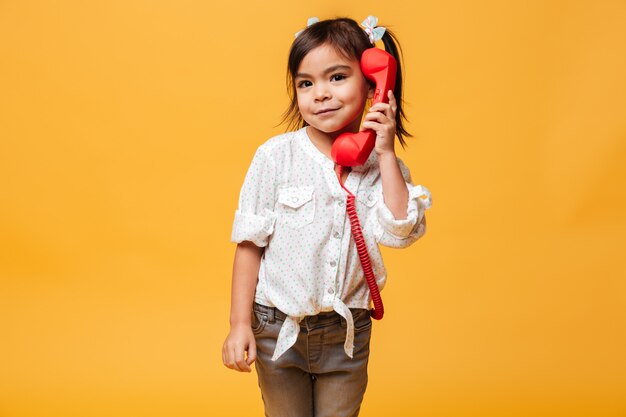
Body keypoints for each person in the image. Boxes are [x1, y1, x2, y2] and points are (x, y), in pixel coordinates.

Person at [222, 15, 432, 417]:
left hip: (345, 333)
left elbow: (401, 230)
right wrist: (238, 323)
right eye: (306, 83)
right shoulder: (275, 157)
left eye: (336, 77)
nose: (320, 94)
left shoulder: (380, 168)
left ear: (374, 86)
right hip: (276, 327)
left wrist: (385, 153)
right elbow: (249, 243)